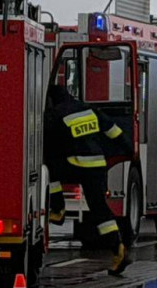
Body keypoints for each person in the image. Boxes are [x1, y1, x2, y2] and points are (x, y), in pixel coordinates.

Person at [44, 84, 134, 276]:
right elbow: (115, 132)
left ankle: (58, 209)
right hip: (97, 166)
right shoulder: (88, 109)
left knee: (49, 166)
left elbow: (50, 144)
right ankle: (117, 249)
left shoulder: (57, 114)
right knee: (99, 209)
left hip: (76, 165)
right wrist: (129, 153)